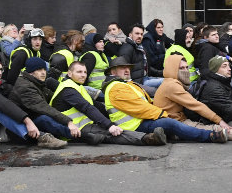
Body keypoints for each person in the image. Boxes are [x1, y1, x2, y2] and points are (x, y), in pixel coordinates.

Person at [14, 59, 163, 147]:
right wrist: (109, 125)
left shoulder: (76, 86)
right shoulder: (68, 89)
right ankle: (147, 139)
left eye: (85, 72)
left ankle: (147, 136)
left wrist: (109, 119)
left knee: (111, 131)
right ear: (69, 74)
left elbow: (94, 104)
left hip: (83, 125)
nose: (83, 75)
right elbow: (86, 107)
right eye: (79, 72)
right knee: (111, 133)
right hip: (76, 128)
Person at [102, 56, 226, 143]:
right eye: (122, 68)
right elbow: (139, 107)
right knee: (169, 123)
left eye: (128, 67)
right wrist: (162, 114)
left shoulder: (124, 84)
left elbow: (144, 102)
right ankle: (209, 136)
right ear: (113, 71)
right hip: (134, 125)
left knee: (170, 124)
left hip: (139, 121)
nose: (127, 70)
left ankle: (177, 134)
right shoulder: (116, 87)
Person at [154, 54, 232, 141]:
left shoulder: (173, 83)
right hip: (178, 123)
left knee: (222, 127)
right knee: (218, 130)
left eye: (186, 68)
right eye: (181, 68)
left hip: (181, 119)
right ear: (172, 69)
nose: (185, 71)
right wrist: (219, 121)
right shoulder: (172, 85)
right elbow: (196, 105)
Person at [120, 24, 162, 93]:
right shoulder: (127, 49)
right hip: (136, 83)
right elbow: (123, 71)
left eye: (141, 34)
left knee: (168, 81)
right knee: (162, 85)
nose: (139, 36)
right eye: (137, 33)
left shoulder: (141, 48)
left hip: (145, 78)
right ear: (130, 35)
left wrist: (161, 73)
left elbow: (146, 67)